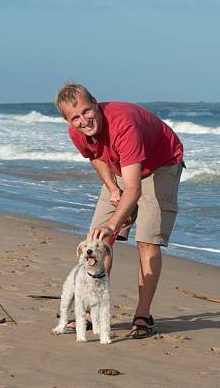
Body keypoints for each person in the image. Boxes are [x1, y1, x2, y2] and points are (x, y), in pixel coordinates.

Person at [55, 83, 184, 338]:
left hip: (161, 166)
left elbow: (134, 189)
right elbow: (95, 156)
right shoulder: (77, 132)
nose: (83, 120)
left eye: (86, 111)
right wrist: (112, 187)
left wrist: (113, 224)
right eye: (75, 117)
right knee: (97, 240)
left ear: (95, 101)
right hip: (122, 168)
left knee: (146, 241)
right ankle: (93, 312)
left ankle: (143, 315)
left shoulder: (123, 124)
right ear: (68, 120)